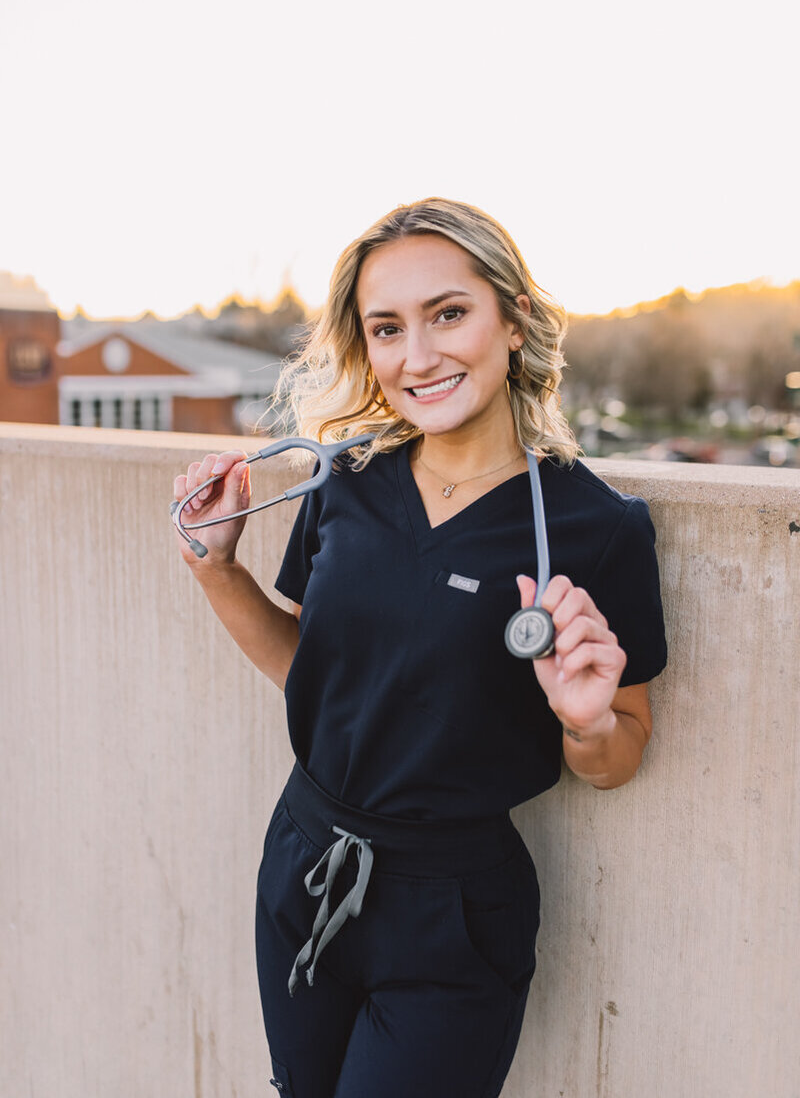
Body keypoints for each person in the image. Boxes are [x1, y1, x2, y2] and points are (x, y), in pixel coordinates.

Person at [172, 198, 668, 1098]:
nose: (419, 356)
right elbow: (316, 675)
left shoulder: (596, 529)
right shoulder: (345, 483)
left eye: (450, 313)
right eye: (387, 328)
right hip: (304, 859)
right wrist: (216, 568)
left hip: (453, 906)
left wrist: (587, 721)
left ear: (513, 318)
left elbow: (619, 750)